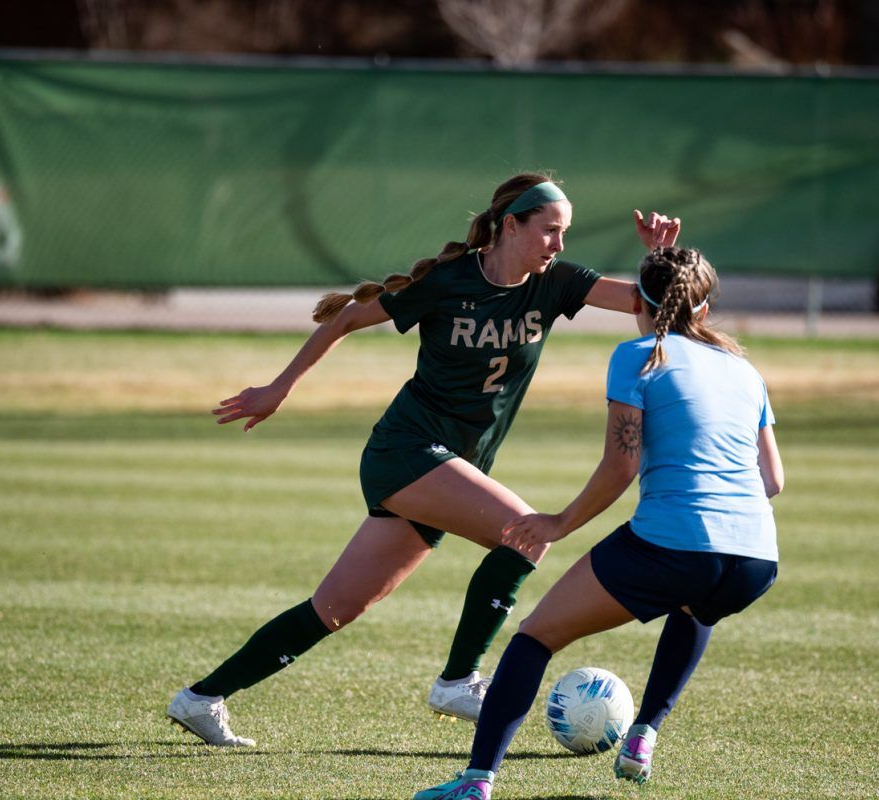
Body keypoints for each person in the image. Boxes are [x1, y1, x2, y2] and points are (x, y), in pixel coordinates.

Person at [165, 172, 682, 746]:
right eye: (549, 231)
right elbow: (346, 318)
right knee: (527, 532)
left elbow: (652, 310)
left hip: (453, 465)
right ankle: (459, 680)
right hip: (405, 449)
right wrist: (279, 388)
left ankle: (201, 699)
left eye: (564, 234)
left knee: (333, 608)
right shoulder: (449, 281)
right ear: (511, 225)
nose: (559, 245)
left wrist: (659, 259)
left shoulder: (555, 282)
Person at [414, 245, 784, 800]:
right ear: (704, 309)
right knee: (696, 604)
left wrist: (558, 523)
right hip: (756, 559)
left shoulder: (636, 355)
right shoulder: (745, 369)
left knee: (535, 637)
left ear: (637, 301)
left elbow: (622, 463)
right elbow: (772, 479)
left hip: (671, 547)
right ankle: (643, 736)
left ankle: (475, 783)